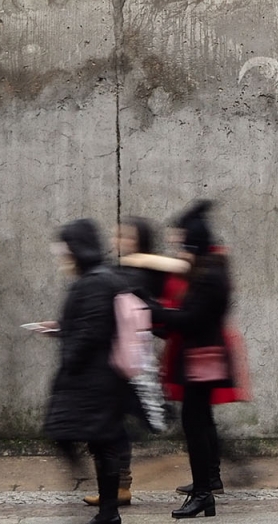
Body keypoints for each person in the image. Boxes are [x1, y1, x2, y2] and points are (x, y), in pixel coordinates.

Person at [79, 216, 189, 508]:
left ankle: (120, 486)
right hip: (117, 356)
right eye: (118, 235)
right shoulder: (121, 269)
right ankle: (119, 486)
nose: (119, 241)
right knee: (115, 423)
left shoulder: (144, 271)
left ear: (141, 239)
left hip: (132, 360)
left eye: (127, 236)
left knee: (117, 424)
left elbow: (174, 279)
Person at [42, 219, 132, 524]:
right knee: (101, 443)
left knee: (78, 436)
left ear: (77, 249)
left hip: (93, 380)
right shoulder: (100, 278)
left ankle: (108, 511)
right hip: (99, 378)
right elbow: (91, 323)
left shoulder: (94, 282)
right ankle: (108, 512)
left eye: (65, 249)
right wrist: (62, 329)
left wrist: (71, 356)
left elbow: (92, 330)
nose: (62, 256)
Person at [149, 202, 232, 520]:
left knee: (195, 426)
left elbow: (191, 318)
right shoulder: (209, 271)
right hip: (200, 359)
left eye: (184, 245)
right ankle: (204, 487)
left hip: (202, 360)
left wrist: (154, 310)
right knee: (197, 424)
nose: (179, 252)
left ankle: (203, 493)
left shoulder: (210, 276)